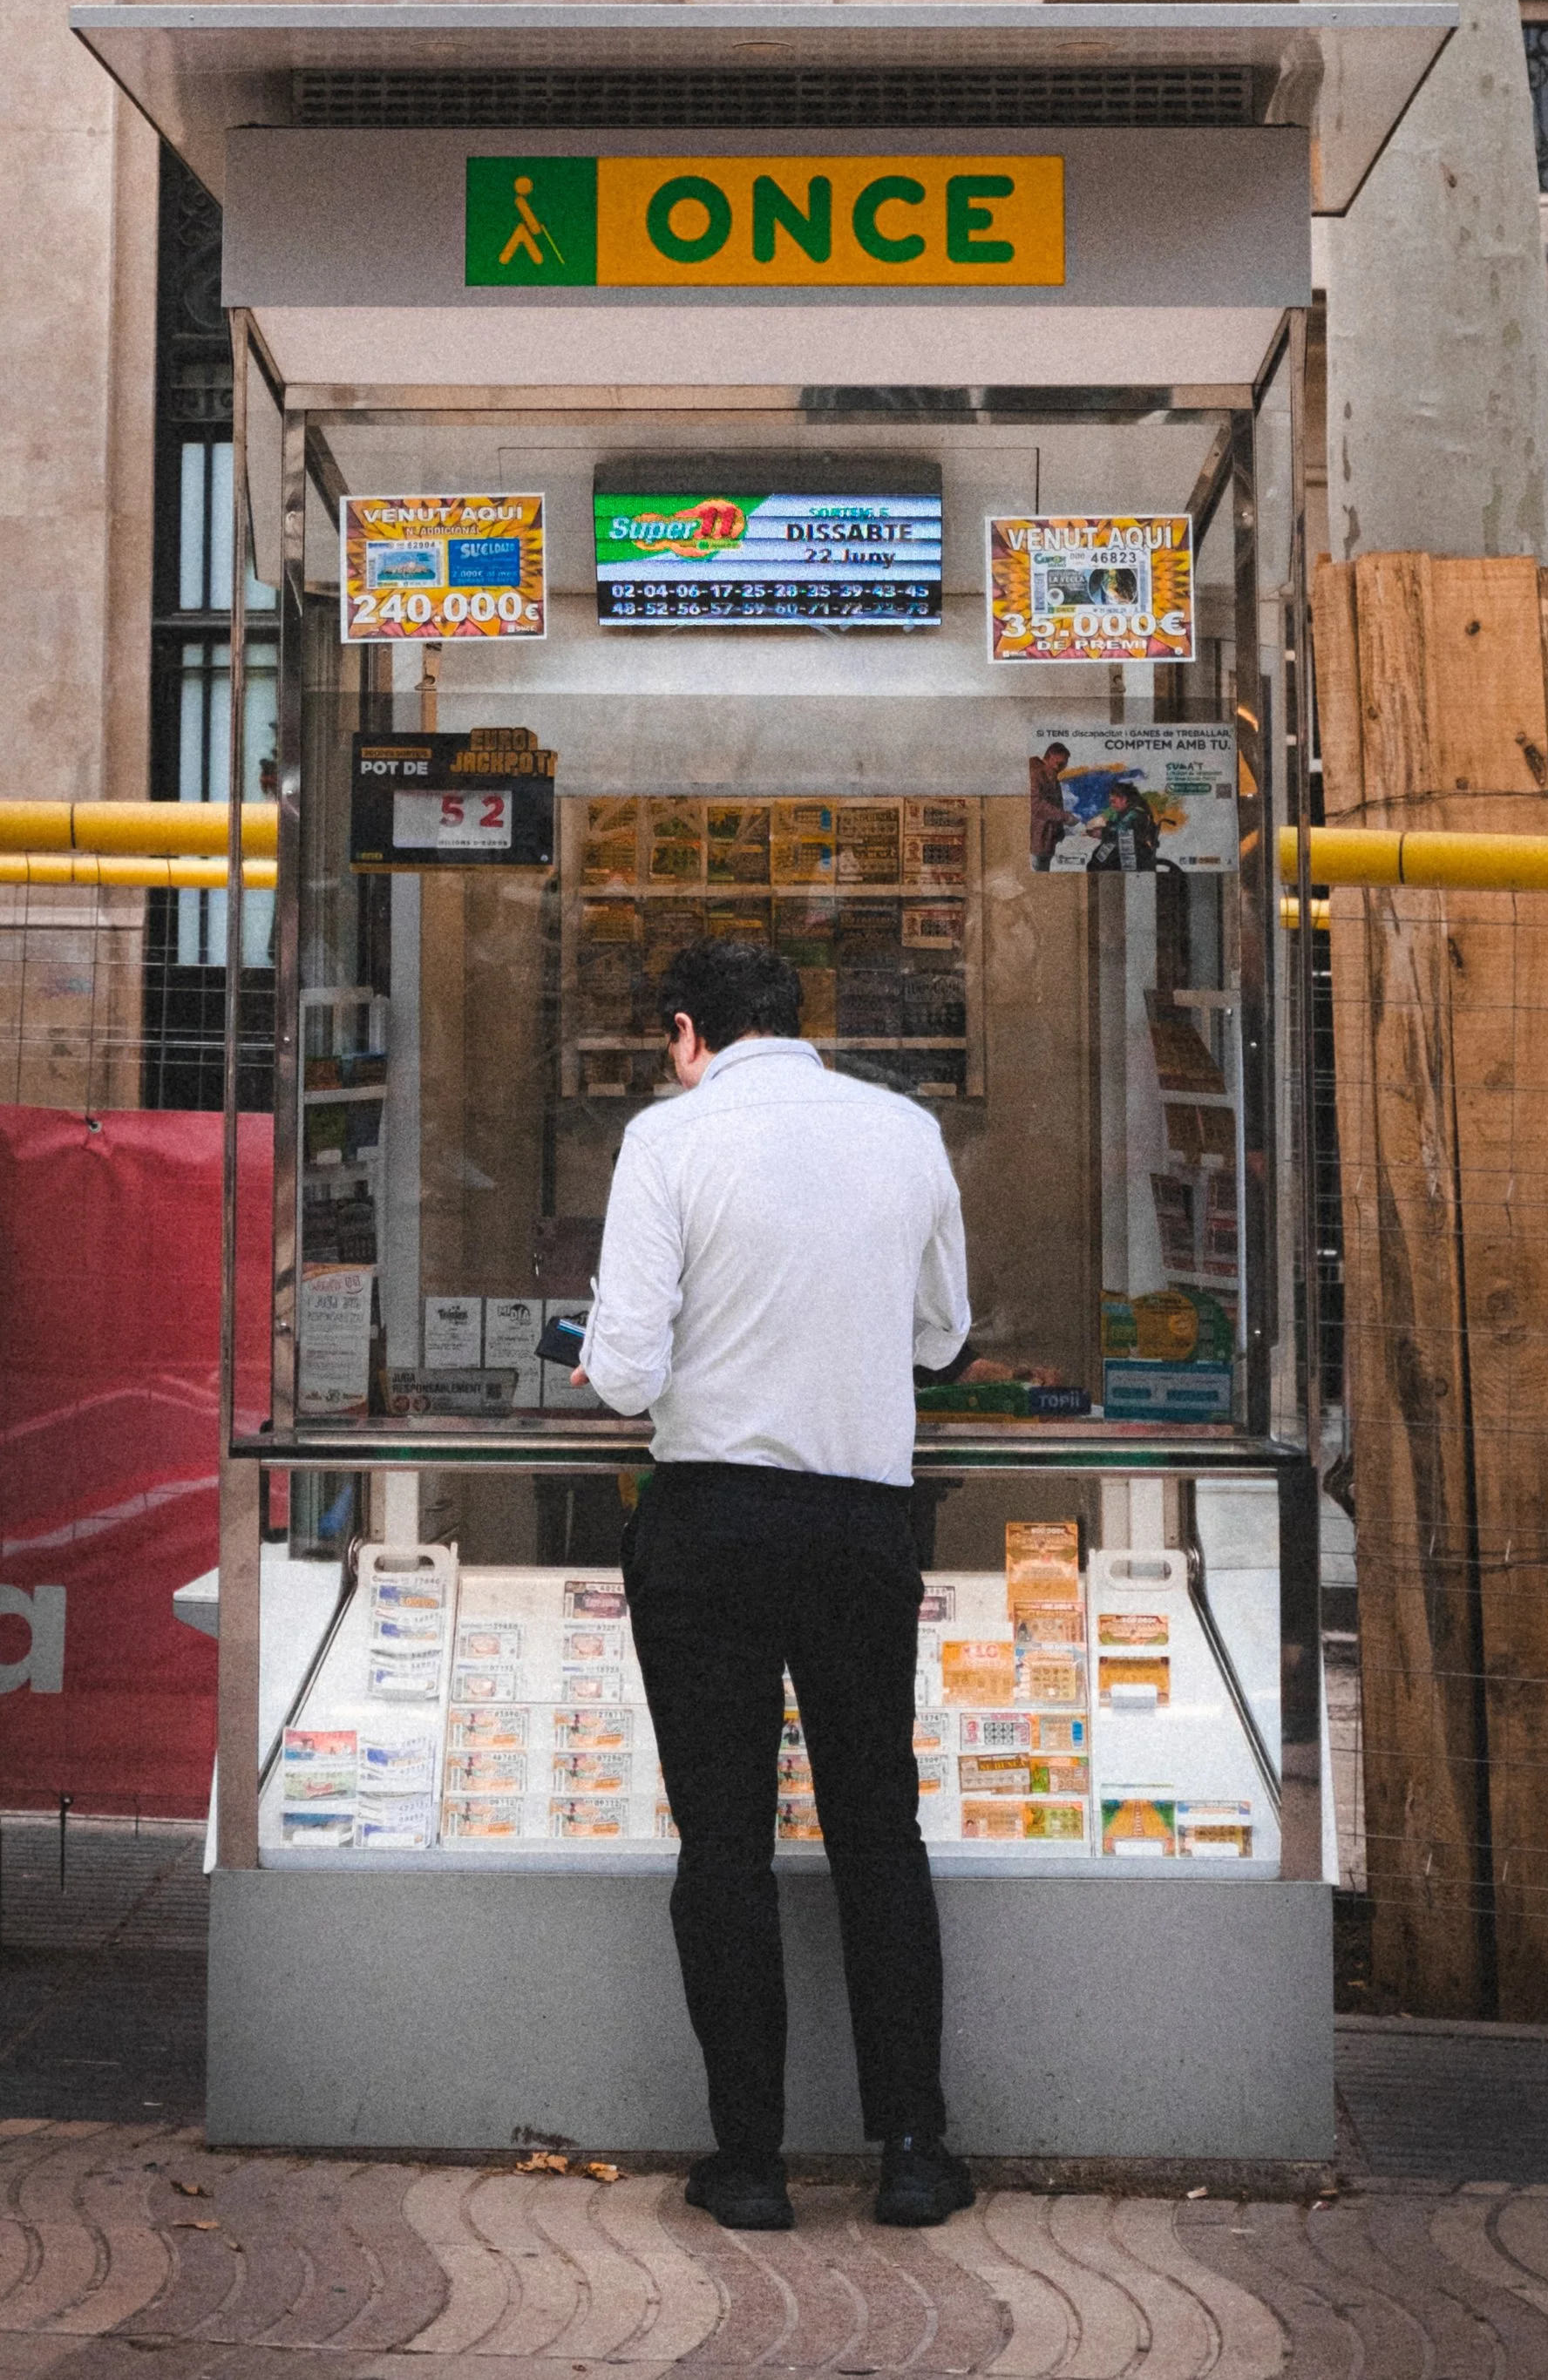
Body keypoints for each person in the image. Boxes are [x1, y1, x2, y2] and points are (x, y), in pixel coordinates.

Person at [580, 938, 975, 2236]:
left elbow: (629, 1374)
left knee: (726, 1844)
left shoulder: (668, 1141)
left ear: (689, 1030)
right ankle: (912, 2150)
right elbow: (942, 1334)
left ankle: (748, 2160)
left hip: (712, 1522)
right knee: (878, 1832)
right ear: (794, 1022)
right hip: (862, 1521)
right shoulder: (907, 1130)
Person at [1029, 737, 1071, 868]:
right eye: (1061, 764)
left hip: (1046, 843)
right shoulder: (1036, 774)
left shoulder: (1051, 775)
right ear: (1052, 757)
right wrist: (1065, 817)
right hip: (1037, 843)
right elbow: (1036, 805)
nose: (1063, 767)